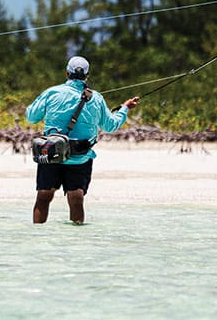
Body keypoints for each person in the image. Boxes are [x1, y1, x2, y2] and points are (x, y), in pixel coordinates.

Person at [25, 56, 139, 225]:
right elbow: (110, 126)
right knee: (76, 198)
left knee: (43, 196)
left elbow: (31, 117)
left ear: (67, 73)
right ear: (87, 75)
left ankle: (36, 237)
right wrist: (124, 109)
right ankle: (77, 243)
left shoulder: (51, 93)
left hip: (50, 155)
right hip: (80, 156)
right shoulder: (97, 98)